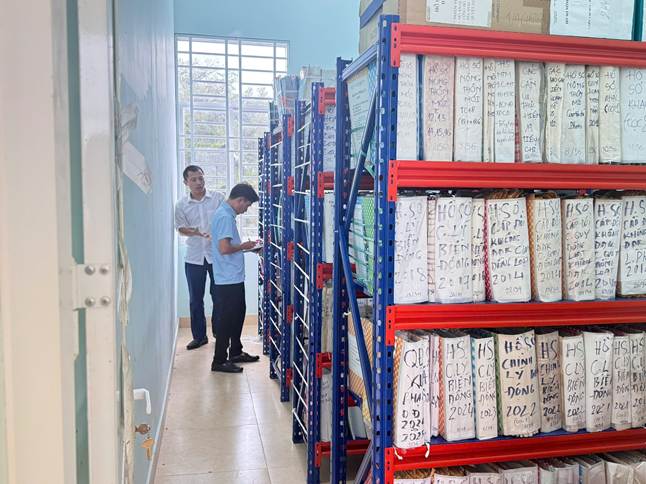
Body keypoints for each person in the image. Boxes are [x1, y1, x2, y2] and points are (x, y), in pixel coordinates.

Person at [210, 182, 261, 373]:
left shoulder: (225, 214)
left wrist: (246, 248)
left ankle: (236, 352)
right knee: (227, 319)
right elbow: (224, 248)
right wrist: (244, 246)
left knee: (238, 314)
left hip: (231, 276)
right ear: (240, 200)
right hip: (227, 279)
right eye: (247, 205)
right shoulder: (224, 216)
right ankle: (219, 361)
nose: (246, 209)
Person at [174, 165, 224, 350]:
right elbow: (180, 228)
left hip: (216, 255)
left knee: (218, 296)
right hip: (194, 257)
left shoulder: (218, 198)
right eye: (193, 179)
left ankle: (219, 333)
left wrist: (217, 233)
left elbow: (226, 219)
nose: (198, 182)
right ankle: (199, 337)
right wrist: (194, 232)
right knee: (196, 299)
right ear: (185, 182)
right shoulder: (181, 205)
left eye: (201, 178)